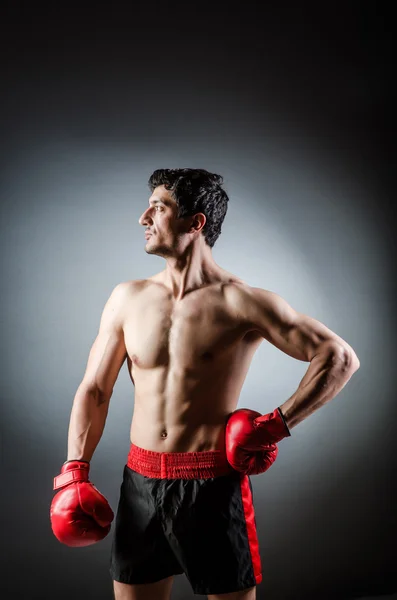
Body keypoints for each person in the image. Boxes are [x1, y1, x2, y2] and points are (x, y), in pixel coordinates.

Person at [50, 168, 360, 600]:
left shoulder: (241, 302)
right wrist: (74, 468)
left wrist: (275, 425)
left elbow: (339, 357)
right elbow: (95, 390)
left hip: (211, 488)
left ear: (195, 223)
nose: (144, 217)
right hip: (140, 484)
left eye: (159, 207)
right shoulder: (127, 299)